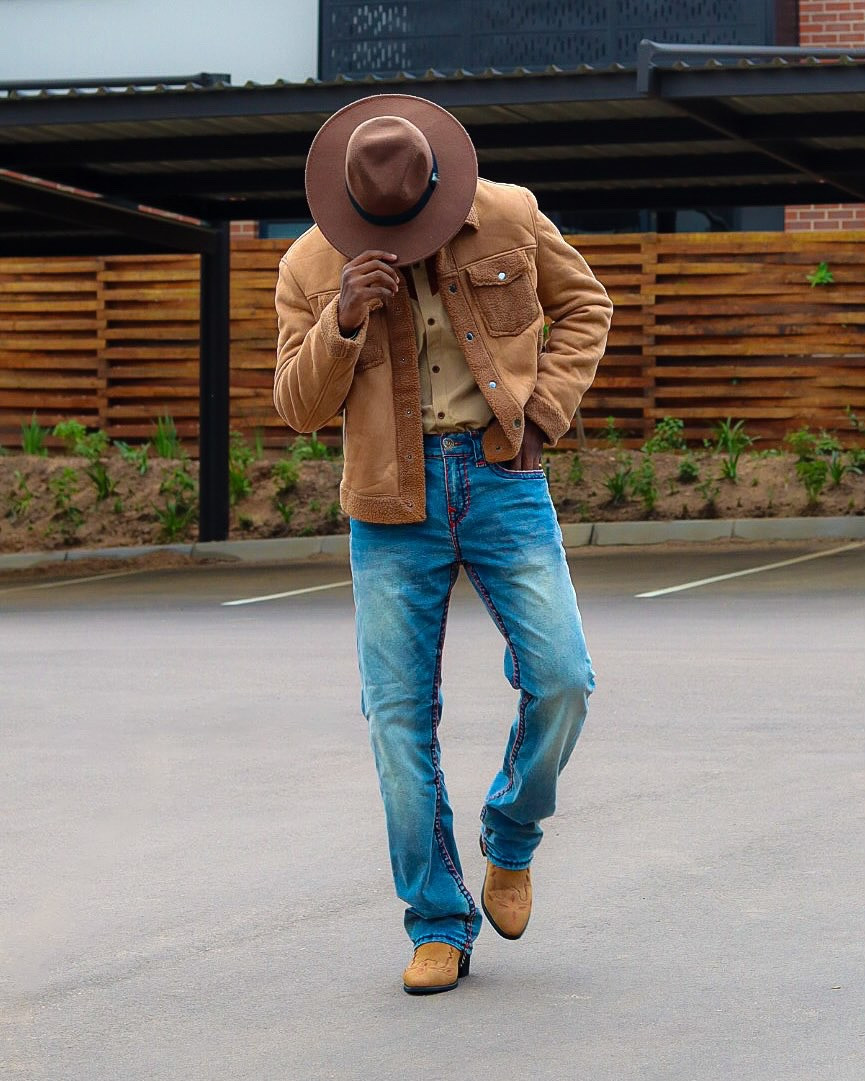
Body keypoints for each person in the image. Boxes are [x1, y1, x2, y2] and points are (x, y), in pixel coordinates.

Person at [274, 94, 612, 995]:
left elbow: (586, 306)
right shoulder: (309, 263)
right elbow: (297, 407)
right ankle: (435, 920)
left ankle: (511, 833)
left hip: (501, 475)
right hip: (389, 500)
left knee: (563, 677)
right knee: (397, 720)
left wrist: (543, 413)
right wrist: (342, 321)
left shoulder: (509, 213)